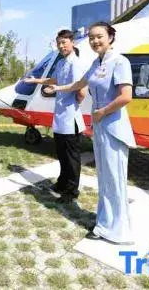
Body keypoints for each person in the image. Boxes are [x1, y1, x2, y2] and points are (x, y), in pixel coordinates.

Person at [46, 21, 135, 244]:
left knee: (114, 179)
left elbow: (126, 96)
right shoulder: (96, 63)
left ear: (110, 37)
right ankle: (105, 223)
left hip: (113, 126)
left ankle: (119, 231)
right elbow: (79, 84)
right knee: (104, 178)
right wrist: (58, 88)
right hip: (100, 125)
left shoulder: (120, 61)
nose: (95, 41)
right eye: (92, 38)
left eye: (99, 36)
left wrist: (102, 111)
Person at [24, 29, 87, 202]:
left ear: (72, 42)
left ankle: (71, 192)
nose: (61, 46)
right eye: (59, 43)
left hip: (71, 118)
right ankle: (62, 183)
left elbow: (81, 89)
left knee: (72, 158)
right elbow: (53, 80)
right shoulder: (61, 63)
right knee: (61, 154)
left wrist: (73, 102)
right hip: (60, 117)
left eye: (64, 42)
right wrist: (34, 80)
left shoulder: (76, 63)